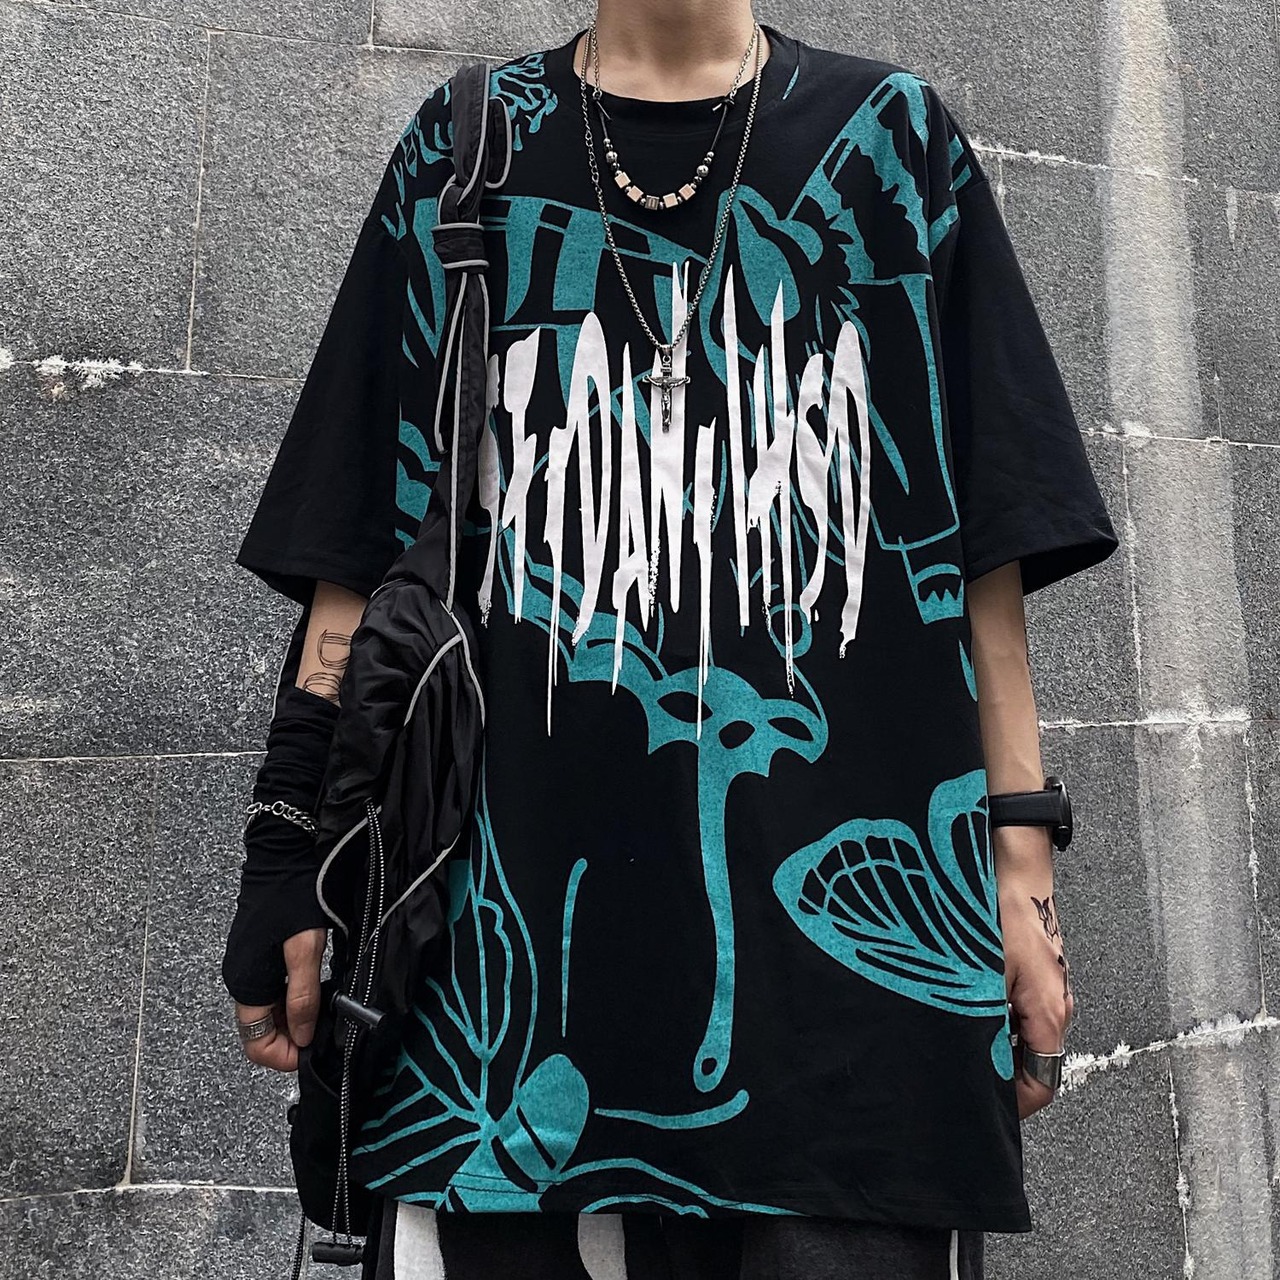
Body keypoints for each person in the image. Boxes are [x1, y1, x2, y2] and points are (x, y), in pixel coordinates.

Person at [221, 4, 1119, 1278]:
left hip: (846, 1047)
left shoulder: (892, 141)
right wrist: (286, 853)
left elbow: (984, 556)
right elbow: (356, 552)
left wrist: (1017, 873)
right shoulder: (466, 146)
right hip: (490, 1004)